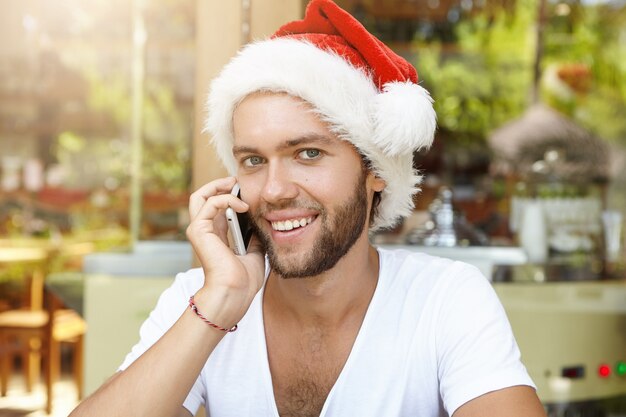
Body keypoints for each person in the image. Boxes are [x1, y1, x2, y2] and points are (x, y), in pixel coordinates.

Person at [70, 1, 546, 416]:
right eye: (253, 160)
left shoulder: (444, 299)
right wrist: (219, 303)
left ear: (375, 168)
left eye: (308, 153)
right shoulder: (198, 300)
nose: (274, 190)